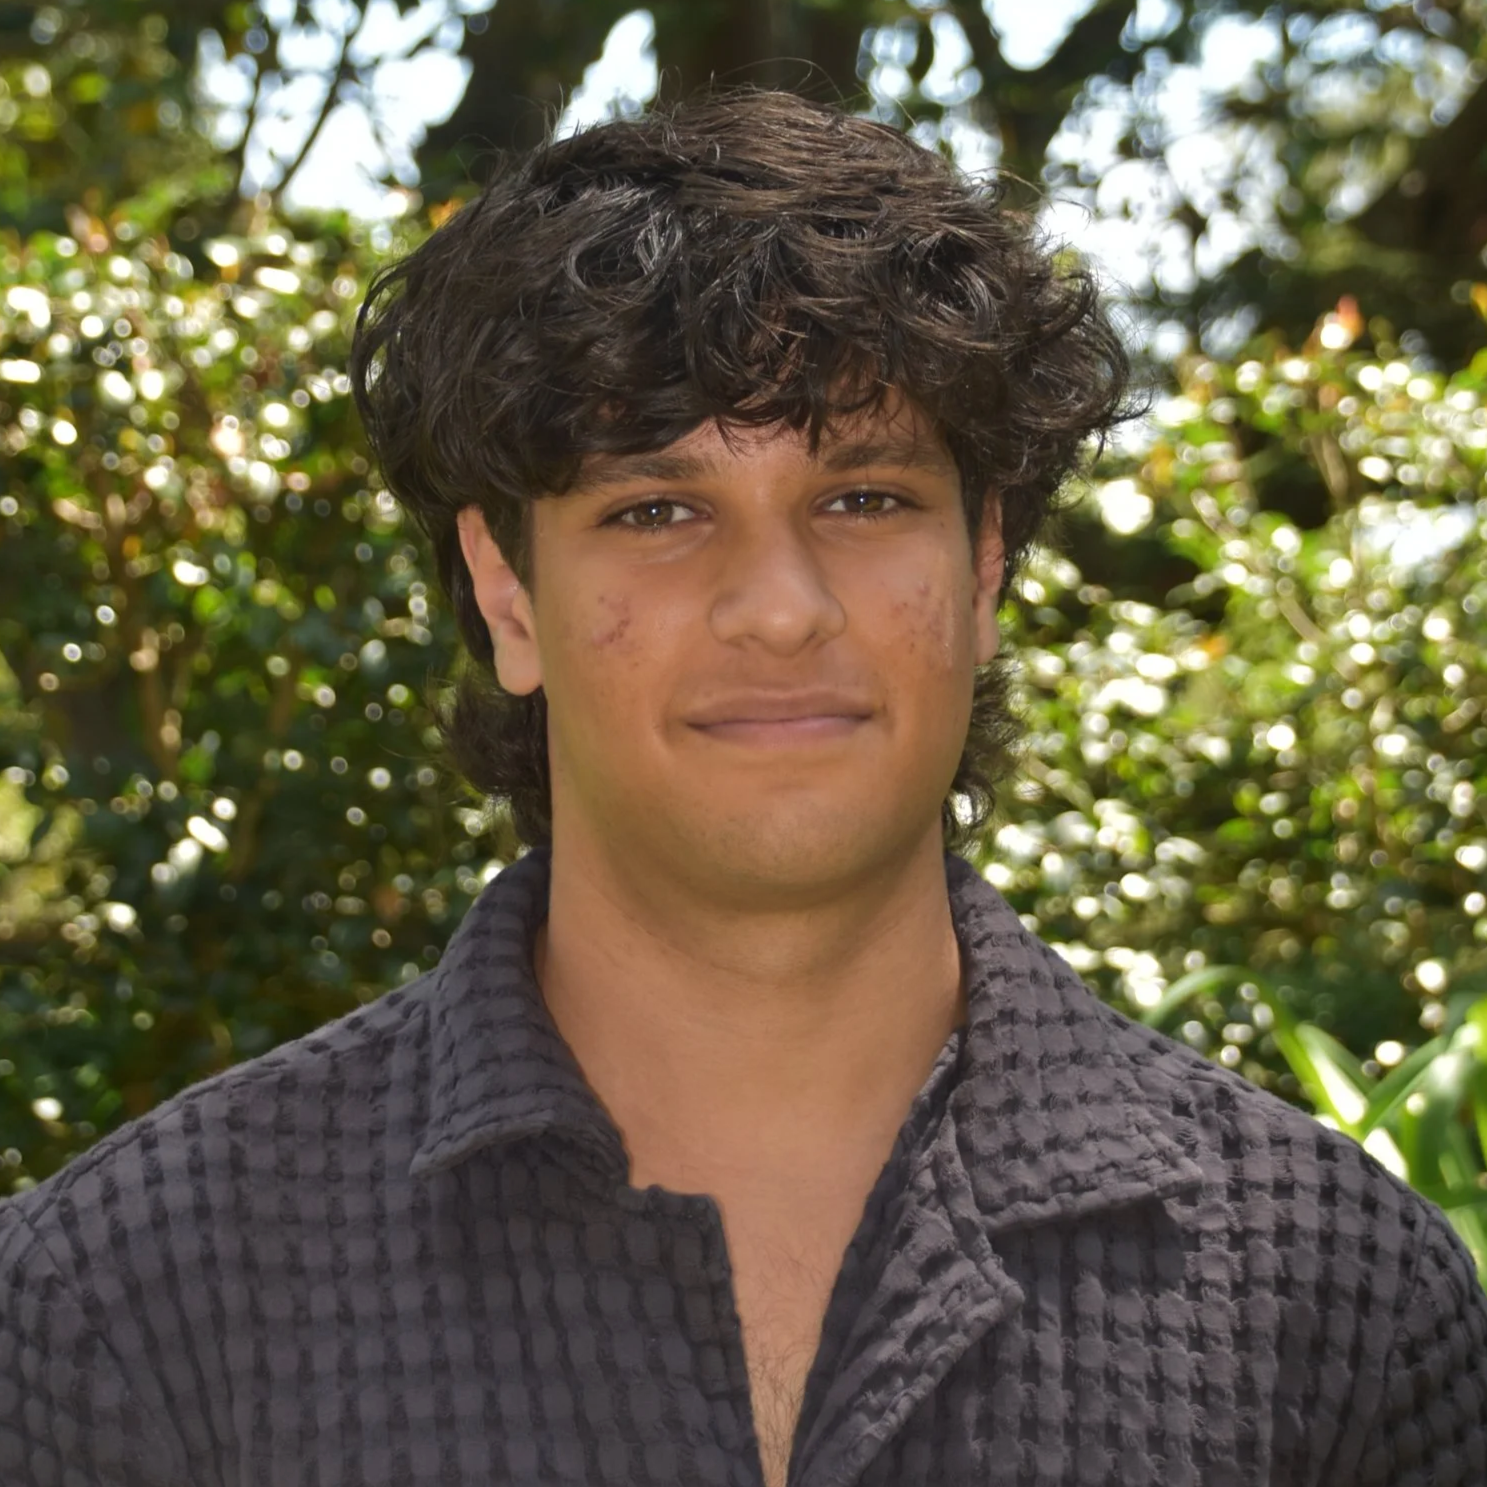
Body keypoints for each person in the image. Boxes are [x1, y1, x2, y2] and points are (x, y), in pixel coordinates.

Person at [3, 88, 1485, 1487]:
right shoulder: (127, 1302)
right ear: (506, 593)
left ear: (982, 570)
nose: (778, 605)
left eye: (862, 497)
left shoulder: (1339, 1302)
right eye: (656, 508)